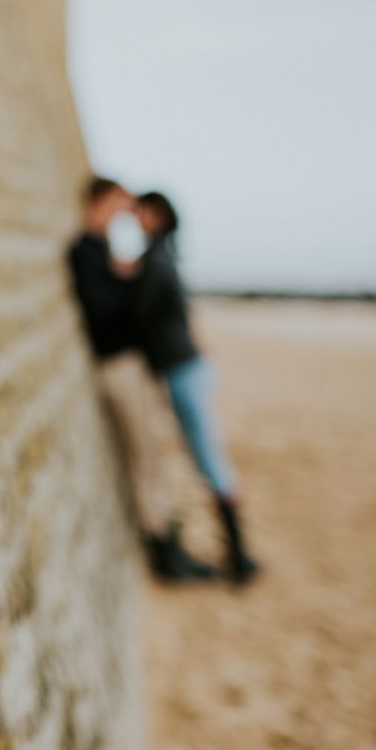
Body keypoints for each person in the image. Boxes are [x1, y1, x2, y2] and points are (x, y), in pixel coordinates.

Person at [67, 177, 214, 582]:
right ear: (99, 202)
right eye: (117, 205)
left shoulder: (100, 252)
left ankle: (170, 541)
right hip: (117, 366)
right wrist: (130, 281)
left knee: (151, 453)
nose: (123, 215)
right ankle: (165, 553)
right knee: (144, 456)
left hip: (129, 365)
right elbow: (103, 313)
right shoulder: (84, 250)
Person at [130, 191, 260, 585]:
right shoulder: (163, 256)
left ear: (156, 216)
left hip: (185, 372)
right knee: (207, 460)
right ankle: (238, 556)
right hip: (188, 369)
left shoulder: (155, 260)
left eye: (140, 212)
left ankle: (239, 558)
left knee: (209, 460)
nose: (136, 218)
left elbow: (142, 314)